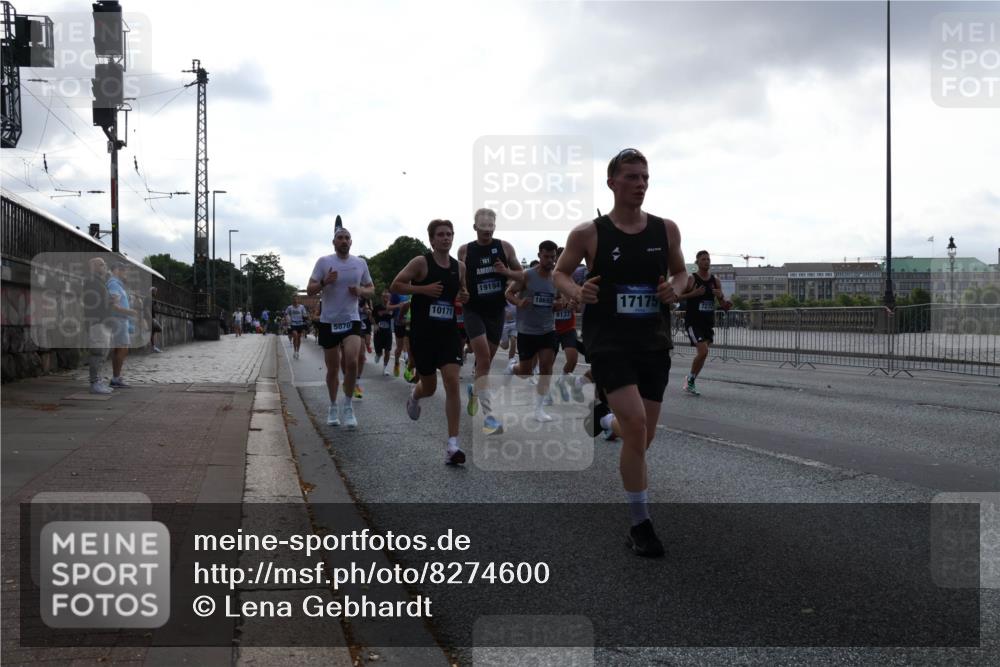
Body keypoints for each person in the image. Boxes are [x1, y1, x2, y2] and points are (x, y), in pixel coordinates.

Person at [553, 148, 688, 558]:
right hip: (609, 341)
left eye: (645, 177)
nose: (640, 184)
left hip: (653, 342)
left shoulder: (666, 230)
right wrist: (578, 291)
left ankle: (605, 417)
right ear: (612, 183)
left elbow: (680, 273)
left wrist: (674, 290)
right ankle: (640, 525)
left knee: (641, 436)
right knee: (636, 424)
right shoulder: (588, 234)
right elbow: (560, 272)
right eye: (631, 177)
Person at [390, 219, 470, 465]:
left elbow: (462, 292)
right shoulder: (421, 262)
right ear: (432, 239)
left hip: (448, 333)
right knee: (430, 387)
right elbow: (397, 284)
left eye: (449, 234)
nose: (446, 238)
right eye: (441, 234)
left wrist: (464, 295)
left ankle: (452, 445)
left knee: (453, 383)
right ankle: (414, 396)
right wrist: (423, 290)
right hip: (423, 334)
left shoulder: (460, 267)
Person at [457, 208, 523, 435]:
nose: (486, 232)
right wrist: (462, 292)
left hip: (496, 312)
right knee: (484, 358)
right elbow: (459, 280)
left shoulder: (505, 248)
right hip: (473, 309)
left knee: (484, 364)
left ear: (494, 226)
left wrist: (506, 273)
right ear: (475, 227)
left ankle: (475, 390)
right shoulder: (465, 250)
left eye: (490, 227)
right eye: (482, 227)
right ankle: (490, 418)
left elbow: (521, 276)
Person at [307, 227, 374, 428]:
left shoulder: (360, 263)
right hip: (329, 322)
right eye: (340, 238)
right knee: (333, 368)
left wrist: (361, 290)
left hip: (351, 320)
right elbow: (310, 290)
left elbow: (372, 290)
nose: (344, 241)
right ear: (334, 242)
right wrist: (324, 282)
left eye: (347, 238)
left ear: (351, 242)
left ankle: (348, 405)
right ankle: (333, 405)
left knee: (353, 361)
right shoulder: (324, 262)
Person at [504, 240, 560, 422]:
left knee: (546, 366)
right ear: (539, 256)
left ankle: (539, 409)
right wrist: (519, 302)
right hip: (527, 330)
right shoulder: (527, 275)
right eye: (546, 256)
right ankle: (512, 368)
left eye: (553, 257)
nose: (550, 260)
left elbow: (559, 301)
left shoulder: (557, 278)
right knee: (525, 372)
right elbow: (509, 294)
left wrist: (560, 305)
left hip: (547, 329)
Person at [679, 250, 732, 396]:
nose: (706, 261)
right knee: (703, 351)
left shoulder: (716, 281)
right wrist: (693, 294)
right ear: (697, 262)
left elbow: (724, 306)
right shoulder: (692, 279)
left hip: (708, 323)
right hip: (693, 322)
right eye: (703, 259)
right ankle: (689, 380)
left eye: (708, 259)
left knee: (702, 354)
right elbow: (677, 297)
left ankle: (691, 379)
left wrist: (723, 299)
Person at [83, 257, 114, 394]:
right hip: (97, 322)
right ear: (93, 267)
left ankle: (98, 381)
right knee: (97, 353)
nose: (104, 266)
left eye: (104, 264)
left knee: (102, 353)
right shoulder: (91, 281)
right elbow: (93, 301)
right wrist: (110, 299)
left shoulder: (99, 281)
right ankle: (94, 382)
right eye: (101, 264)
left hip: (103, 321)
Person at [106, 261, 138, 388]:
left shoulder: (117, 284)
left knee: (120, 349)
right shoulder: (114, 284)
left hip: (121, 320)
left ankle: (116, 377)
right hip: (119, 320)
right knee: (122, 349)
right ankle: (116, 378)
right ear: (117, 270)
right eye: (124, 271)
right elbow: (114, 306)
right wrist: (130, 311)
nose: (126, 274)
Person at [372, 291, 395, 375]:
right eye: (384, 297)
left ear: (390, 298)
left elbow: (396, 316)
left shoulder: (392, 307)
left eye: (387, 297)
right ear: (382, 298)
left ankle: (385, 369)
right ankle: (378, 354)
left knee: (388, 351)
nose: (386, 299)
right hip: (378, 332)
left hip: (388, 332)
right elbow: (372, 316)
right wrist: (374, 325)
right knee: (379, 352)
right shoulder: (377, 307)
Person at [388, 292, 410, 377]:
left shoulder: (414, 291)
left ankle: (409, 370)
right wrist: (398, 306)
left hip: (409, 323)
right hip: (399, 323)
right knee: (399, 347)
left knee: (409, 347)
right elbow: (388, 307)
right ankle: (397, 362)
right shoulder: (396, 293)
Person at [285, 294, 309, 359]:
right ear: (292, 300)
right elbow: (286, 313)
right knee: (295, 336)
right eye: (294, 299)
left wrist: (305, 317)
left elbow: (304, 315)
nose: (295, 300)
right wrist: (287, 319)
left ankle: (297, 351)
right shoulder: (289, 307)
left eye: (296, 299)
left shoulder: (302, 307)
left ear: (298, 300)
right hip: (293, 324)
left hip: (300, 324)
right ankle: (294, 351)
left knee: (298, 338)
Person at [150, 286, 163, 351]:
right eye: (155, 291)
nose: (156, 293)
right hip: (150, 318)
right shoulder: (148, 298)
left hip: (152, 317)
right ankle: (153, 346)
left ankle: (153, 346)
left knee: (153, 332)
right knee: (158, 329)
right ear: (152, 292)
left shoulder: (152, 299)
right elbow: (146, 309)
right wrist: (151, 318)